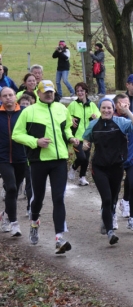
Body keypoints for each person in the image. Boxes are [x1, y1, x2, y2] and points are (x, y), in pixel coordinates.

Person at [12, 80, 78, 254]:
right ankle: (34, 222)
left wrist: (71, 138)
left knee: (58, 198)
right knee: (38, 197)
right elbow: (17, 134)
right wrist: (35, 142)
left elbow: (67, 129)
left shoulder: (61, 109)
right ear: (39, 94)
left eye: (51, 91)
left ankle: (59, 238)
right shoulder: (29, 112)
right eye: (45, 92)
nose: (49, 94)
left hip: (59, 160)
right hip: (38, 161)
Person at [82, 97, 133, 245]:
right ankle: (110, 232)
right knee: (107, 198)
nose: (106, 110)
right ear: (99, 109)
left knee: (114, 198)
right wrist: (85, 145)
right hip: (99, 167)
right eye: (103, 108)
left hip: (116, 166)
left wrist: (126, 110)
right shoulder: (93, 124)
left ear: (113, 109)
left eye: (109, 108)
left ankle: (107, 218)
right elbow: (86, 139)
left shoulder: (121, 122)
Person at [0, 87, 27, 237]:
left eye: (11, 95)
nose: (8, 98)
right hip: (3, 158)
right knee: (10, 188)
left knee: (15, 190)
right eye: (5, 96)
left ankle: (5, 214)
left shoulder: (23, 112)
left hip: (21, 157)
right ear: (1, 99)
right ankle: (15, 223)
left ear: (15, 97)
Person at [114, 93, 133, 230]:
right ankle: (112, 214)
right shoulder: (112, 118)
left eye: (128, 104)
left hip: (132, 158)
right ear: (115, 105)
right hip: (115, 160)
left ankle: (132, 218)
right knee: (114, 189)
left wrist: (128, 112)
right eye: (122, 104)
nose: (125, 107)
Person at [67, 82, 99, 186]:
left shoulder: (92, 105)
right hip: (77, 137)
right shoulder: (73, 105)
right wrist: (71, 118)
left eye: (82, 91)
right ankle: (73, 168)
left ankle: (82, 177)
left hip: (88, 137)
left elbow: (99, 116)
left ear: (86, 92)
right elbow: (66, 116)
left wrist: (95, 116)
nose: (80, 93)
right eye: (78, 91)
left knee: (86, 157)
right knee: (81, 157)